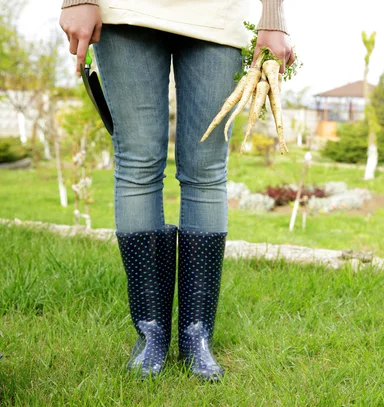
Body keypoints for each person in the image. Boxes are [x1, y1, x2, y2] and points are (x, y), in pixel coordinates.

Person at [59, 0, 294, 382]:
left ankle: (195, 334)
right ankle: (150, 332)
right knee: (137, 165)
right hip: (125, 12)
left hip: (216, 16)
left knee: (205, 171)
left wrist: (273, 17)